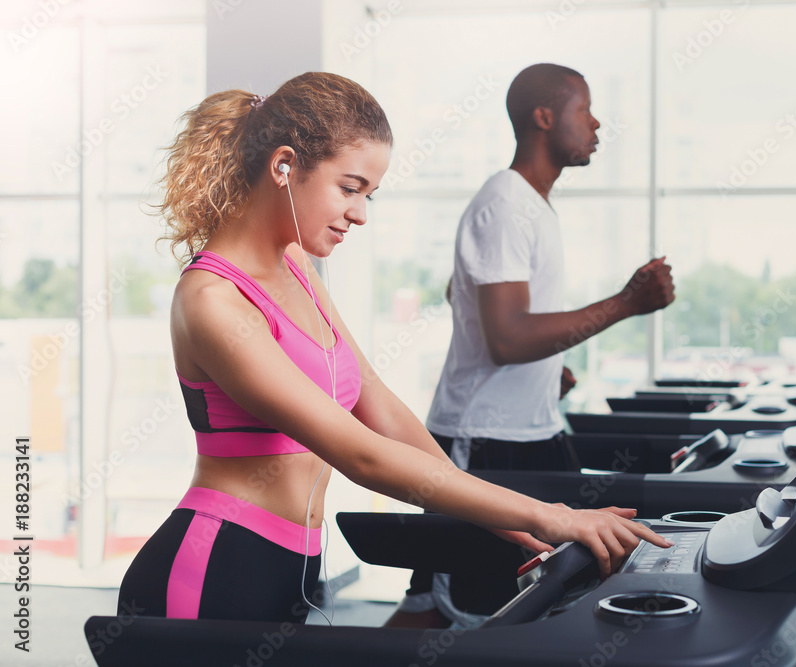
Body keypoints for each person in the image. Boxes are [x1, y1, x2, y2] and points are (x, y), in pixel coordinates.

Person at [115, 71, 671, 625]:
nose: (359, 212)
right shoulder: (212, 299)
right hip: (212, 567)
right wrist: (552, 517)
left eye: (369, 195)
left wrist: (518, 524)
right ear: (284, 165)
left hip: (296, 569)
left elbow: (377, 404)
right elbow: (361, 455)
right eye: (349, 187)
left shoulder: (296, 265)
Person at [388, 64, 675, 628]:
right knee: (462, 616)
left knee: (542, 601)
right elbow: (508, 338)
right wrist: (626, 303)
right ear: (544, 117)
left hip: (531, 432)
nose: (596, 124)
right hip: (484, 442)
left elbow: (470, 301)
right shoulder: (505, 203)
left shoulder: (531, 204)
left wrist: (548, 369)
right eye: (583, 110)